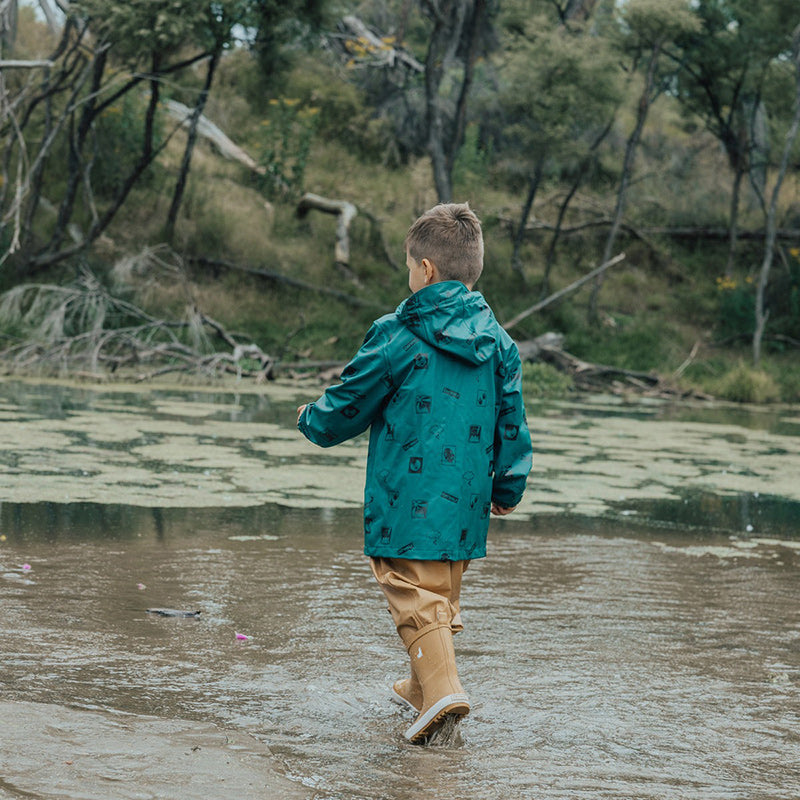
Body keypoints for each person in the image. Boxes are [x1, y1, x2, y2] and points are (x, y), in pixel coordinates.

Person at [296, 202, 532, 743]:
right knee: (441, 593)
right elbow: (511, 419)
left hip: (408, 494)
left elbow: (350, 401)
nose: (408, 275)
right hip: (466, 503)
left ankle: (444, 688)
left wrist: (312, 419)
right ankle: (422, 689)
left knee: (409, 586)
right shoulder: (498, 342)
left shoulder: (397, 332)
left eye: (409, 265)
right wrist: (508, 486)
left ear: (425, 270)